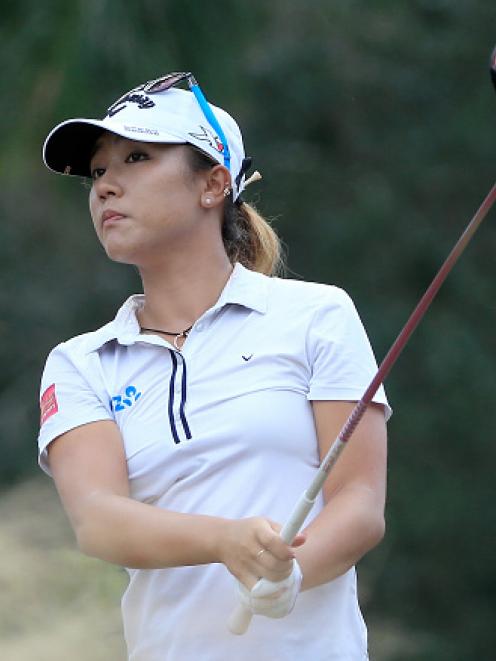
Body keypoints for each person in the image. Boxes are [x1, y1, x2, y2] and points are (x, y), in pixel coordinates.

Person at [38, 72, 391, 660]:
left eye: (137, 157)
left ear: (213, 184)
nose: (105, 187)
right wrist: (226, 541)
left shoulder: (316, 315)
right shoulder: (82, 363)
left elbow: (359, 500)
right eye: (98, 171)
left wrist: (292, 572)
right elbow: (99, 520)